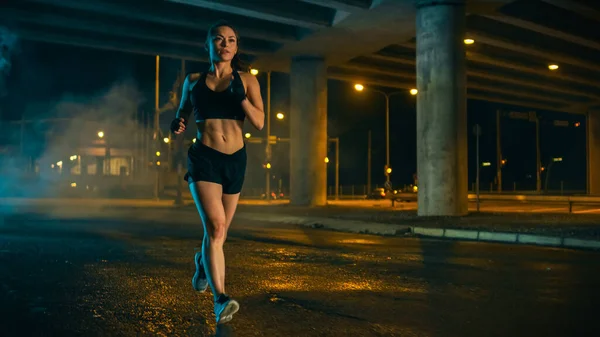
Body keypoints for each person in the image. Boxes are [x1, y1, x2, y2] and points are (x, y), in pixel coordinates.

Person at [170, 20, 264, 325]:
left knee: (218, 234)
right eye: (219, 40)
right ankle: (220, 298)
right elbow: (182, 111)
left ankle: (201, 263)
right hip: (204, 158)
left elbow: (260, 123)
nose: (225, 45)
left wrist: (240, 98)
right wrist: (178, 123)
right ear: (208, 44)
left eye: (231, 40)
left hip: (236, 159)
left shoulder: (248, 81)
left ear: (236, 47)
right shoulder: (193, 80)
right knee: (217, 228)